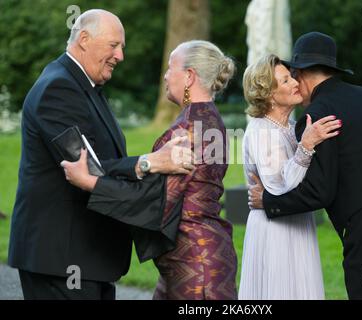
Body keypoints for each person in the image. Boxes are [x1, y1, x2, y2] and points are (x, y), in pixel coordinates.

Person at [8, 9, 192, 300]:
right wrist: (150, 163)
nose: (120, 56)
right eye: (113, 45)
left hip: (86, 259)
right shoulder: (58, 88)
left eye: (122, 47)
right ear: (83, 39)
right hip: (62, 260)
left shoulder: (83, 86)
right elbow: (86, 170)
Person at [248, 32, 362, 299]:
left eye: (292, 77)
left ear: (301, 73)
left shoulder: (316, 116)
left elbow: (319, 191)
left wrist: (269, 202)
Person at [63, 40, 239, 300]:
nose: (166, 76)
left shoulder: (187, 130)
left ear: (189, 76)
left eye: (170, 68)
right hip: (197, 256)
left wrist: (89, 182)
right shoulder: (210, 119)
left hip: (195, 264)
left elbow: (153, 200)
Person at [239, 54, 341, 299]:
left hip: (297, 222)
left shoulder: (290, 125)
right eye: (285, 81)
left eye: (292, 77)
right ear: (269, 94)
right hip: (275, 230)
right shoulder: (261, 130)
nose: (296, 82)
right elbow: (279, 186)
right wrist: (306, 146)